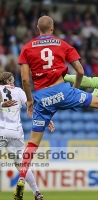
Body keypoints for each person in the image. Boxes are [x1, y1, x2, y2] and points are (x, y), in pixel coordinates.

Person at [14, 16, 98, 200]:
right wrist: (75, 90)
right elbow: (80, 71)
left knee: (32, 144)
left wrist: (30, 101)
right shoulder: (62, 44)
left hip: (42, 98)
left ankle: (21, 179)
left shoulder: (27, 48)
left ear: (37, 28)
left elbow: (24, 80)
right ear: (52, 28)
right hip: (64, 91)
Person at [0, 72, 52, 200]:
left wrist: (1, 104)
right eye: (12, 78)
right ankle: (37, 192)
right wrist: (46, 119)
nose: (14, 80)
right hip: (16, 132)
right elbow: (31, 106)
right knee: (21, 165)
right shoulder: (19, 91)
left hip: (1, 130)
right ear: (8, 80)